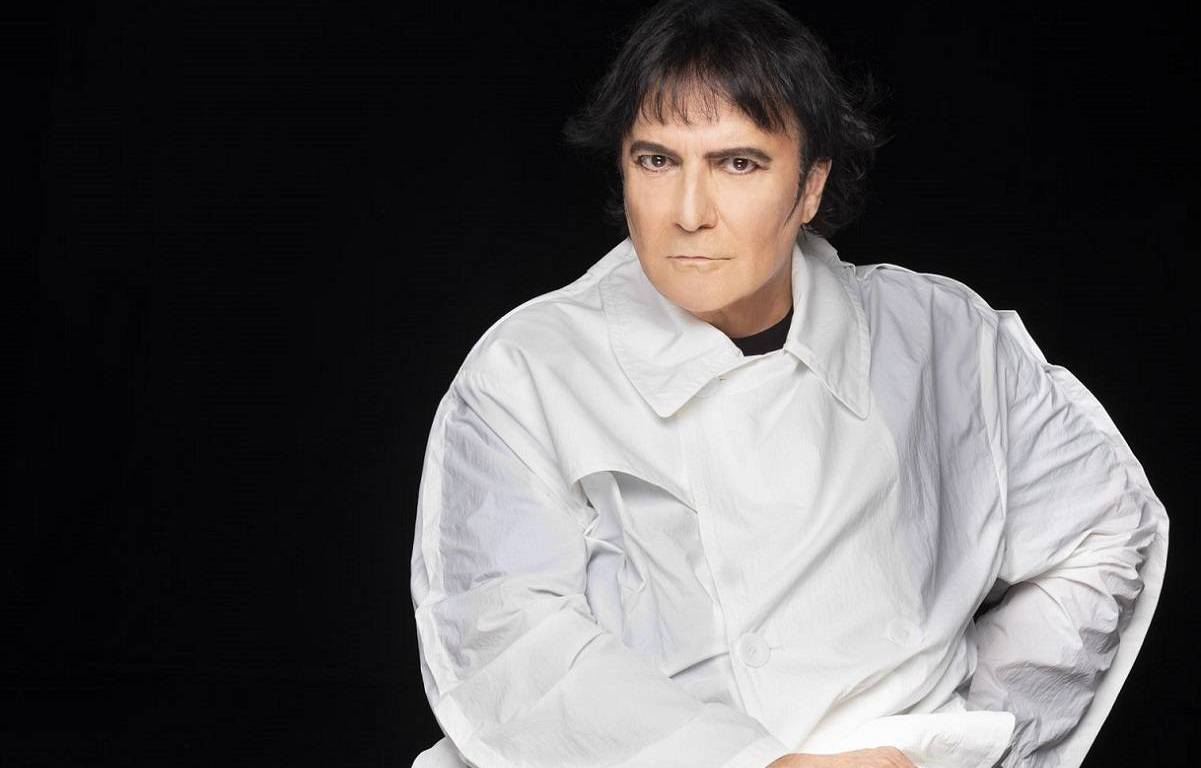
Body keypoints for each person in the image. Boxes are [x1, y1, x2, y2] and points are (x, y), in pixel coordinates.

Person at [408, 0, 1169, 766]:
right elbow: (504, 641)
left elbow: (1103, 531)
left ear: (809, 187)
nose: (688, 212)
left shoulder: (941, 338)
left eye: (737, 164)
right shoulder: (529, 370)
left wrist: (945, 745)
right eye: (657, 161)